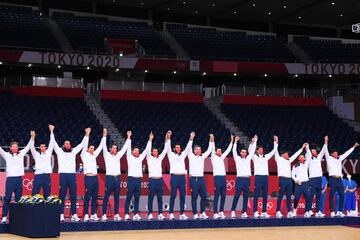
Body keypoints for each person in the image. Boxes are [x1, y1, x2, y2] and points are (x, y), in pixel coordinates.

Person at [53, 127, 89, 222]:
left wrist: (86, 134)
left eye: (68, 143)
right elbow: (53, 143)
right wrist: (52, 131)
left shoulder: (73, 151)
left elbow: (82, 144)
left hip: (72, 175)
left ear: (70, 145)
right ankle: (61, 214)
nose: (67, 144)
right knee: (62, 196)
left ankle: (74, 214)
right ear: (63, 145)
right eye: (65, 143)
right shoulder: (59, 151)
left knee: (73, 195)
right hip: (63, 175)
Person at [1, 131, 34, 223]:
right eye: (13, 146)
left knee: (19, 200)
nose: (15, 148)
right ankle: (4, 217)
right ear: (10, 148)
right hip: (10, 179)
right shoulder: (7, 155)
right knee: (7, 198)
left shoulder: (21, 154)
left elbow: (28, 146)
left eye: (16, 146)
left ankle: (17, 218)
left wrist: (32, 137)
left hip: (19, 179)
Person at [323, 135, 358, 217]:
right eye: (334, 153)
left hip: (339, 180)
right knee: (331, 195)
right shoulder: (329, 158)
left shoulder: (339, 158)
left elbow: (347, 153)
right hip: (332, 179)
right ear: (331, 154)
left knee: (342, 195)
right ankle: (332, 211)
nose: (336, 154)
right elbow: (325, 150)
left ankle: (339, 211)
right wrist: (326, 141)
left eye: (336, 153)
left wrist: (354, 146)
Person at [101, 129, 131, 221]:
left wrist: (128, 137)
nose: (114, 149)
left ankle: (116, 214)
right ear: (110, 149)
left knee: (117, 197)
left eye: (115, 148)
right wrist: (104, 135)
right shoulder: (106, 155)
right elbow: (103, 146)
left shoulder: (118, 155)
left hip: (117, 178)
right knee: (106, 197)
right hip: (109, 178)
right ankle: (103, 214)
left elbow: (125, 148)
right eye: (113, 148)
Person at [275, 137, 305, 218]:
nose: (288, 155)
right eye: (286, 154)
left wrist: (302, 148)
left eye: (288, 154)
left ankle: (289, 212)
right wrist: (276, 142)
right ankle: (278, 211)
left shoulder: (289, 160)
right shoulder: (279, 159)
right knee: (281, 195)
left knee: (289, 196)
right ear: (283, 154)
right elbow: (275, 151)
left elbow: (295, 155)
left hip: (289, 180)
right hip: (282, 179)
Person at [167, 131, 194, 220]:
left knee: (183, 196)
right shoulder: (171, 155)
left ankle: (182, 213)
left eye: (179, 147)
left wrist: (191, 137)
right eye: (177, 147)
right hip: (174, 177)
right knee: (173, 196)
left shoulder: (183, 154)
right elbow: (168, 146)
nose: (178, 148)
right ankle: (171, 213)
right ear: (174, 148)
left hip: (182, 178)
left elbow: (188, 147)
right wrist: (168, 136)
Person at [124, 132, 151, 221]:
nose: (137, 152)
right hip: (131, 179)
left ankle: (135, 214)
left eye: (138, 151)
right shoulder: (129, 157)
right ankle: (126, 214)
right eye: (135, 150)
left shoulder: (140, 158)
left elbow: (147, 150)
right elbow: (128, 147)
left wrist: (150, 140)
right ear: (132, 152)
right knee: (128, 197)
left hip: (138, 180)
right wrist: (128, 137)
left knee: (137, 198)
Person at [187, 133, 214, 220]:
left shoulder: (202, 157)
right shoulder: (190, 156)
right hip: (193, 179)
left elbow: (209, 149)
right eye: (197, 149)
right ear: (194, 151)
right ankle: (195, 214)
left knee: (203, 196)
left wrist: (211, 139)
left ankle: (202, 213)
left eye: (200, 149)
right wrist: (191, 138)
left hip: (201, 179)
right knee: (194, 197)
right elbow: (188, 147)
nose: (199, 151)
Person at [80, 128, 105, 221]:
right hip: (88, 178)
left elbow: (101, 147)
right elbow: (85, 145)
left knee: (95, 197)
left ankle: (93, 214)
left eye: (93, 148)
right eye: (91, 148)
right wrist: (87, 134)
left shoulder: (94, 154)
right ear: (87, 149)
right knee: (87, 197)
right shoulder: (84, 155)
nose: (92, 149)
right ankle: (86, 214)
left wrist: (104, 136)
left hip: (95, 178)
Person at [230, 135, 257, 219]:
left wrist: (254, 142)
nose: (244, 153)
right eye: (243, 152)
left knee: (246, 197)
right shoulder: (237, 158)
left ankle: (244, 212)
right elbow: (234, 151)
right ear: (240, 153)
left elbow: (252, 151)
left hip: (247, 179)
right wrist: (235, 142)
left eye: (245, 152)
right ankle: (233, 211)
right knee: (237, 195)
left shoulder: (249, 158)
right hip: (239, 179)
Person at [252, 136, 277, 218]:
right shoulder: (254, 157)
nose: (261, 150)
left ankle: (264, 211)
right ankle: (255, 211)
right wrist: (255, 141)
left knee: (265, 195)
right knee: (256, 194)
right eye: (259, 149)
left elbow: (273, 151)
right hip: (258, 177)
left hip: (265, 177)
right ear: (257, 150)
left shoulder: (266, 156)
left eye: (262, 149)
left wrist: (275, 142)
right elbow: (250, 151)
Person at [146, 132, 170, 220]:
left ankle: (160, 213)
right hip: (152, 180)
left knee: (160, 198)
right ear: (152, 152)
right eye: (154, 151)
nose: (155, 152)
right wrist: (150, 139)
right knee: (151, 198)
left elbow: (166, 149)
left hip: (160, 180)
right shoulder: (149, 158)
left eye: (156, 151)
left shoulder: (160, 158)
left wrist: (166, 138)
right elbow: (148, 150)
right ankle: (150, 214)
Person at [210, 134, 233, 219]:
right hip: (217, 178)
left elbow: (228, 150)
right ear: (216, 152)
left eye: (220, 151)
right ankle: (215, 212)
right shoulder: (213, 157)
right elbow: (212, 148)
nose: (220, 152)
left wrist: (231, 141)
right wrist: (212, 140)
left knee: (223, 195)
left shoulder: (222, 157)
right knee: (217, 195)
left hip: (223, 178)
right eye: (218, 151)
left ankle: (221, 211)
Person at [30, 125, 54, 199]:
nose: (43, 148)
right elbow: (31, 147)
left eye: (44, 146)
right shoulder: (36, 154)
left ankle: (46, 209)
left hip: (47, 176)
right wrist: (33, 137)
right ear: (39, 147)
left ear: (46, 147)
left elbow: (52, 142)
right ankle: (33, 209)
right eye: (41, 146)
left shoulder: (49, 152)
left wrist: (52, 131)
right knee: (34, 194)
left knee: (47, 195)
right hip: (38, 176)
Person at [292, 143, 312, 218]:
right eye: (300, 157)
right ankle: (294, 210)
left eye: (303, 157)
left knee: (308, 197)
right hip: (298, 184)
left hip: (306, 184)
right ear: (298, 158)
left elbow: (309, 156)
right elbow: (292, 175)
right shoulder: (295, 166)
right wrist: (296, 180)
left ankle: (306, 211)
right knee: (296, 198)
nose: (302, 158)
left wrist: (307, 148)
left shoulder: (306, 164)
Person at [308, 144, 326, 217]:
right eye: (312, 151)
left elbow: (323, 150)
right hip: (312, 179)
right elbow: (308, 152)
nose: (313, 152)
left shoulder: (319, 157)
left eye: (314, 151)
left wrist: (325, 142)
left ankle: (318, 211)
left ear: (316, 152)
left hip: (319, 178)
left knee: (319, 196)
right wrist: (307, 147)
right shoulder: (309, 158)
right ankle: (309, 210)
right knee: (311, 195)